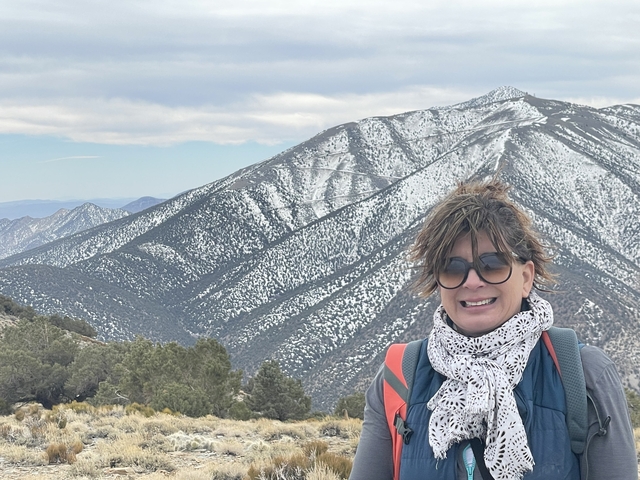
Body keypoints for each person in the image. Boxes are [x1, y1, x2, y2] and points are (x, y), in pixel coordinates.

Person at [349, 179, 638, 480]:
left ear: (526, 277)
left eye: (493, 264)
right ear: (438, 281)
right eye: (453, 267)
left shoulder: (584, 374)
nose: (472, 281)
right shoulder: (399, 378)